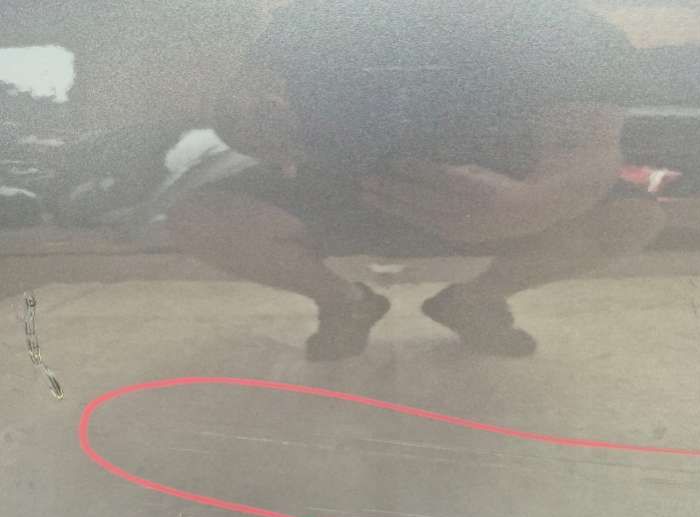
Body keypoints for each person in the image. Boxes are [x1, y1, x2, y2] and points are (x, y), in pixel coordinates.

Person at [168, 0, 666, 360]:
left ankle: (475, 301)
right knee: (199, 219)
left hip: (493, 194)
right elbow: (241, 106)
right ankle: (344, 302)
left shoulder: (569, 29)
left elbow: (591, 148)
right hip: (336, 185)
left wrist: (535, 203)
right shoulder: (314, 17)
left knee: (631, 218)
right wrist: (248, 125)